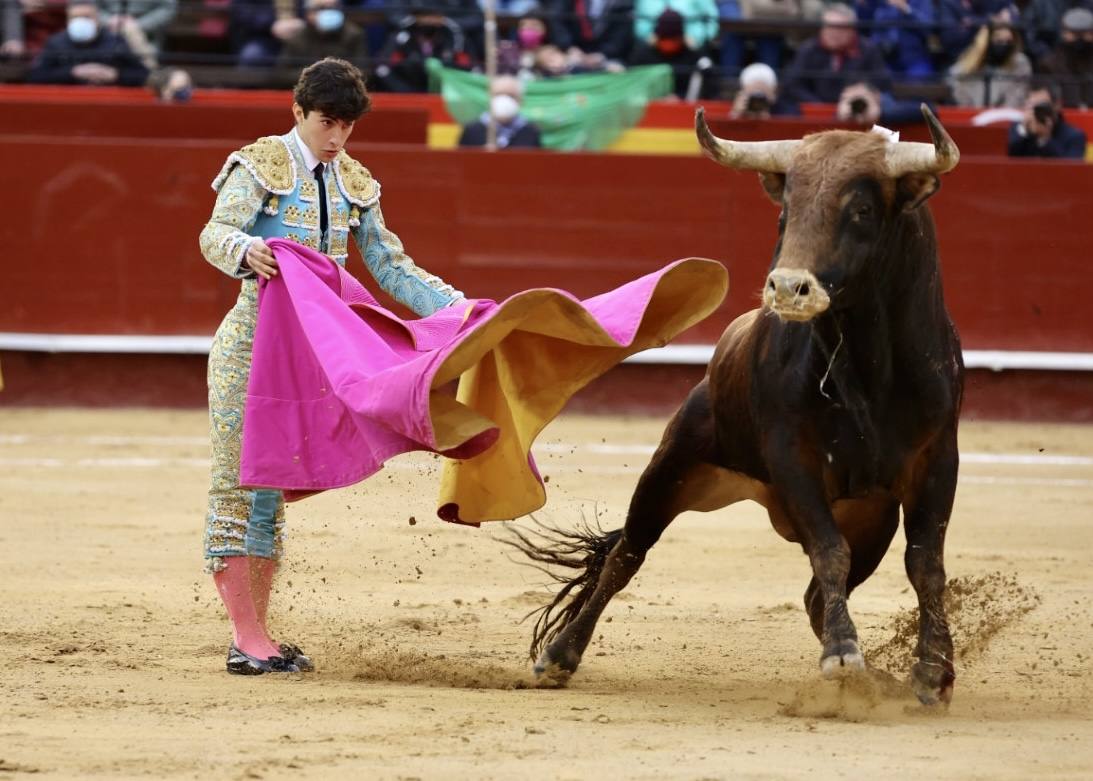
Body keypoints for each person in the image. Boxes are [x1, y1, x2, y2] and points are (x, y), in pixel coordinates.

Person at [199, 57, 467, 675]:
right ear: (298, 112)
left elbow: (390, 266)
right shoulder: (262, 163)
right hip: (251, 349)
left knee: (269, 491)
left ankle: (258, 632)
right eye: (327, 122)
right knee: (239, 485)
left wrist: (458, 309)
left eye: (347, 125)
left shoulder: (355, 182)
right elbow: (215, 233)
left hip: (314, 361)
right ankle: (247, 638)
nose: (337, 137)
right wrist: (248, 248)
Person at [782, 3, 892, 104]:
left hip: (855, 113)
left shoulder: (868, 50)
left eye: (840, 28)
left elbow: (883, 83)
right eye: (829, 27)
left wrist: (863, 90)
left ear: (852, 30)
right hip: (814, 112)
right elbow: (792, 84)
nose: (833, 33)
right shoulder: (808, 49)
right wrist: (816, 104)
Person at [27, 0, 149, 85]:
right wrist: (73, 72)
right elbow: (36, 76)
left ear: (97, 19)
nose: (80, 21)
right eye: (75, 18)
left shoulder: (115, 42)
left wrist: (115, 75)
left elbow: (142, 75)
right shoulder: (56, 43)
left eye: (86, 17)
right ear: (67, 20)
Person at [629, 8, 719, 99]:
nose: (669, 44)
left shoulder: (693, 55)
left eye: (673, 39)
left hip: (684, 106)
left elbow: (709, 76)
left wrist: (679, 97)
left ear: (681, 37)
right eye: (665, 39)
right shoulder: (643, 55)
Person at [275, 0, 367, 85]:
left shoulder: (354, 34)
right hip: (309, 92)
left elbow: (364, 71)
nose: (328, 13)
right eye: (322, 8)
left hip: (343, 94)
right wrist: (316, 75)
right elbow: (283, 74)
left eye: (332, 8)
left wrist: (333, 76)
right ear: (308, 13)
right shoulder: (297, 38)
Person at [948, 14, 1031, 107]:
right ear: (986, 43)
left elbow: (1014, 101)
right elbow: (955, 79)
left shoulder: (1019, 63)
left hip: (1005, 117)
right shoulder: (967, 67)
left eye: (1008, 42)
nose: (1004, 45)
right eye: (999, 41)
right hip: (972, 116)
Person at [458, 74, 543, 148]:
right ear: (490, 98)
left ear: (520, 100)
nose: (504, 100)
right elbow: (460, 162)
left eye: (510, 95)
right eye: (499, 94)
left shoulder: (530, 131)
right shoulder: (473, 130)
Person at [1007, 81, 1088, 157]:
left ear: (1057, 105)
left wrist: (1045, 139)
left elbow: (1070, 168)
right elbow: (1004, 157)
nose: (1035, 111)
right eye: (1031, 106)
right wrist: (1024, 130)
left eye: (1041, 107)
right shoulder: (1016, 129)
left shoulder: (1074, 136)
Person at [1038, 7, 1093, 109]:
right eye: (1074, 34)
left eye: (1084, 34)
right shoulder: (1050, 65)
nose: (1079, 39)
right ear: (1064, 34)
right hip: (1063, 119)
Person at [729, 61, 801, 118]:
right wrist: (736, 114)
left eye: (762, 94)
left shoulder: (788, 108)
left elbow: (793, 129)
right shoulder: (740, 106)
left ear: (774, 90)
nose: (757, 102)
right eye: (754, 95)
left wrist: (769, 118)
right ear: (743, 91)